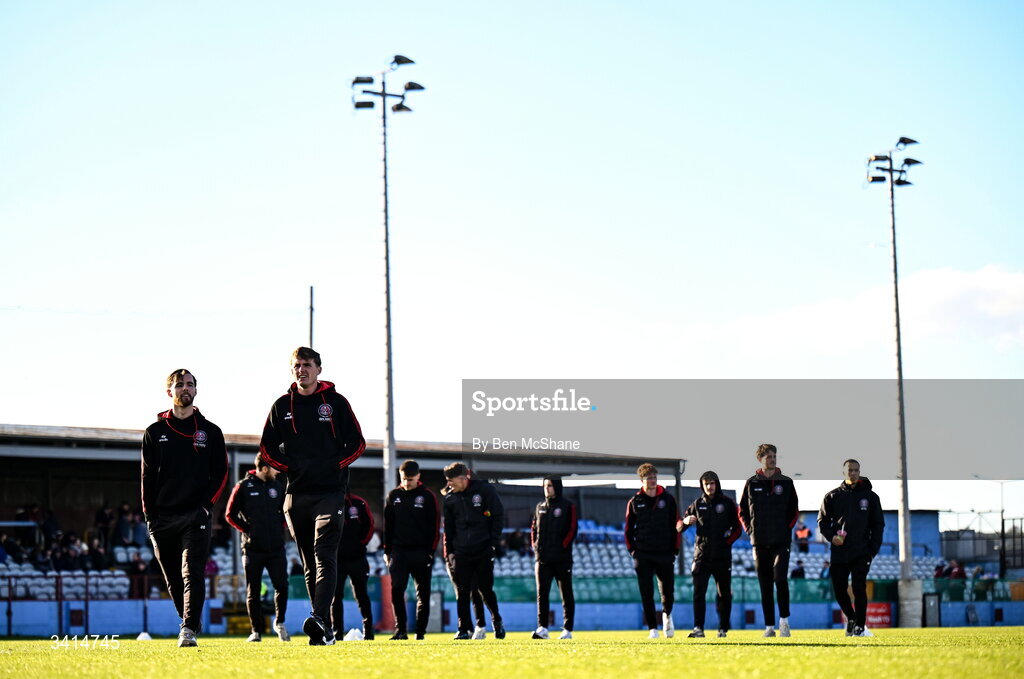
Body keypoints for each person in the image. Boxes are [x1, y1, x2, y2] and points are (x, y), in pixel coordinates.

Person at [259, 347, 365, 645]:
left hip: (330, 493)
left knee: (324, 556)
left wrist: (332, 466)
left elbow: (357, 443)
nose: (301, 370)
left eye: (307, 365)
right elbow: (266, 448)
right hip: (296, 495)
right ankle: (325, 629)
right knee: (308, 564)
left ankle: (318, 617)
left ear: (319, 369)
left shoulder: (335, 403)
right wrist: (290, 468)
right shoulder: (282, 406)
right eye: (296, 365)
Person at [142, 368, 228, 648]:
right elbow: (146, 477)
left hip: (196, 516)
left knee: (192, 572)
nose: (185, 389)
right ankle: (189, 619)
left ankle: (188, 628)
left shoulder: (210, 432)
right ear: (170, 392)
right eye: (179, 385)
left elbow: (221, 473)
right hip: (162, 517)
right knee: (173, 579)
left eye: (190, 384)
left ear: (196, 390)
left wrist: (206, 506)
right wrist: (149, 516)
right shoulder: (154, 432)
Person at [225, 454, 291, 643]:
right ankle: (256, 631)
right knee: (252, 591)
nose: (278, 471)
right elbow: (230, 514)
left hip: (276, 548)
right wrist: (248, 530)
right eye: (274, 468)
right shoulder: (243, 486)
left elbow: (285, 512)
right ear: (263, 468)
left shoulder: (277, 487)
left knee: (282, 586)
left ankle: (280, 623)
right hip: (252, 548)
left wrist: (280, 528)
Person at [817, 458, 884, 637]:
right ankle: (852, 619)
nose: (853, 473)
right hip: (839, 551)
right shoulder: (832, 496)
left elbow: (878, 525)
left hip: (862, 552)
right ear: (844, 472)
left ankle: (860, 628)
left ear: (859, 471)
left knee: (858, 587)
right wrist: (832, 537)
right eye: (850, 470)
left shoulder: (870, 497)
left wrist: (872, 550)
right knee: (838, 589)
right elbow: (822, 522)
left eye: (856, 470)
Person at [739, 443, 798, 638]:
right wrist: (749, 529)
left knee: (780, 579)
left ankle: (784, 621)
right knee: (765, 584)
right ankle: (769, 627)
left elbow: (794, 510)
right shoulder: (751, 483)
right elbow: (743, 511)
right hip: (759, 541)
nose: (772, 459)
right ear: (760, 459)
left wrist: (786, 528)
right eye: (768, 456)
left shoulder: (787, 482)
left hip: (781, 540)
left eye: (774, 456)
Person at [442, 462, 506, 640]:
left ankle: (497, 620)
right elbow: (448, 528)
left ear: (463, 479)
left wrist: (492, 543)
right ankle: (463, 629)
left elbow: (498, 515)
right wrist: (450, 552)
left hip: (483, 549)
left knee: (485, 590)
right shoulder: (449, 499)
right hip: (461, 552)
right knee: (462, 591)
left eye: (451, 481)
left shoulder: (485, 490)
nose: (449, 485)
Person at [677, 470, 741, 638]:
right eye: (706, 484)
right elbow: (679, 526)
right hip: (702, 556)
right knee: (699, 593)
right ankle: (698, 628)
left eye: (712, 483)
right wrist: (684, 522)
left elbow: (737, 529)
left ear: (716, 484)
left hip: (722, 557)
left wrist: (726, 543)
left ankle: (723, 629)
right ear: (702, 485)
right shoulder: (697, 504)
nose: (709, 487)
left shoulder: (727, 503)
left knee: (724, 594)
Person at [384, 460, 440, 641]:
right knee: (397, 590)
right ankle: (401, 631)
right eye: (403, 479)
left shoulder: (428, 497)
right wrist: (387, 551)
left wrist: (431, 551)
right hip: (399, 553)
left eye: (410, 479)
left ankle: (420, 633)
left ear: (418, 477)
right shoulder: (393, 496)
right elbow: (388, 526)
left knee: (423, 593)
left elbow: (435, 526)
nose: (407, 483)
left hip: (421, 552)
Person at [625, 463, 680, 639]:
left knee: (667, 592)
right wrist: (633, 551)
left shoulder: (668, 499)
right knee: (646, 592)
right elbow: (628, 529)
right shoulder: (635, 501)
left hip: (665, 553)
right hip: (643, 554)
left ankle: (667, 615)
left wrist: (675, 549)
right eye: (649, 478)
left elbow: (676, 524)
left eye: (655, 477)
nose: (653, 481)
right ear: (642, 480)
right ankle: (652, 629)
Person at [531, 475, 578, 640]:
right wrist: (535, 546)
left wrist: (562, 547)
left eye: (550, 485)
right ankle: (542, 628)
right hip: (542, 559)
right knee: (541, 594)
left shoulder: (568, 506)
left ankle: (567, 629)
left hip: (562, 559)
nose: (547, 488)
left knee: (566, 594)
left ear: (557, 487)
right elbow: (533, 528)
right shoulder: (540, 506)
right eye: (545, 486)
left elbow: (572, 530)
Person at [333, 493, 375, 640]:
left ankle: (368, 632)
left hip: (357, 559)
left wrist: (360, 544)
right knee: (335, 596)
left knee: (361, 595)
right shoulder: (328, 502)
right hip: (336, 560)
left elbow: (369, 526)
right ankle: (336, 633)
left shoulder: (359, 503)